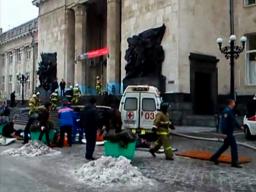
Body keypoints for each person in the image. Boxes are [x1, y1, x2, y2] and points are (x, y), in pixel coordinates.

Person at [210, 99, 244, 168]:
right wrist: (224, 132)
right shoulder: (227, 111)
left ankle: (214, 157)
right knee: (234, 146)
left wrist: (240, 127)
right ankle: (234, 162)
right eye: (234, 102)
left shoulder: (230, 111)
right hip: (228, 132)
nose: (235, 103)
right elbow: (224, 123)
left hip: (229, 131)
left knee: (225, 146)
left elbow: (233, 121)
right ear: (231, 103)